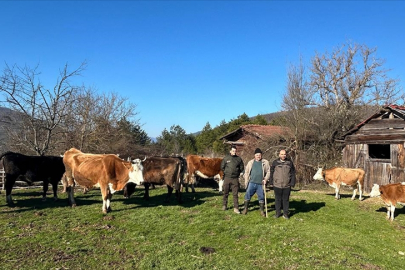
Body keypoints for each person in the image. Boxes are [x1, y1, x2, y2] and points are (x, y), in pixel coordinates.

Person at [242, 148, 270, 217]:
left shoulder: (265, 162)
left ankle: (262, 211)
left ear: (261, 155)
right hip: (251, 182)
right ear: (254, 155)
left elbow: (268, 172)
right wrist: (246, 180)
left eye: (259, 155)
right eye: (257, 155)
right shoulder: (251, 162)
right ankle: (245, 209)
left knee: (261, 197)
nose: (258, 156)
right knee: (247, 195)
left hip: (260, 184)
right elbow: (247, 172)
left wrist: (266, 179)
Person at [269, 149, 296, 219]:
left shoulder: (289, 162)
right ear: (279, 155)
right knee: (278, 199)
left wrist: (292, 182)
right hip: (277, 184)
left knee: (286, 200)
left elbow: (293, 173)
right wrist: (271, 182)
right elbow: (271, 172)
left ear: (286, 155)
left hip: (287, 185)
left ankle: (285, 214)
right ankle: (278, 213)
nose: (283, 155)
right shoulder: (275, 162)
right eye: (282, 154)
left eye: (284, 154)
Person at [221, 145, 244, 214]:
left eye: (235, 151)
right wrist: (226, 172)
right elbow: (222, 167)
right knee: (225, 192)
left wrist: (238, 173)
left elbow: (241, 167)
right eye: (233, 151)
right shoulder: (226, 158)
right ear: (230, 151)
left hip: (235, 179)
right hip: (227, 178)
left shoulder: (238, 159)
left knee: (235, 194)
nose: (234, 152)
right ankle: (224, 205)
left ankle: (236, 208)